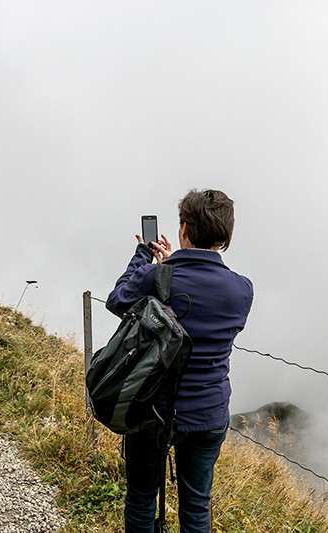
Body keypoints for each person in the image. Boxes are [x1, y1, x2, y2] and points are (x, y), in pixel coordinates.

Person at [106, 189, 253, 533]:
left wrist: (147, 257)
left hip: (152, 410)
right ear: (225, 236)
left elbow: (117, 300)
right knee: (197, 505)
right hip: (208, 414)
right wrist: (175, 264)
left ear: (184, 228)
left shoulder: (155, 277)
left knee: (141, 499)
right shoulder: (242, 289)